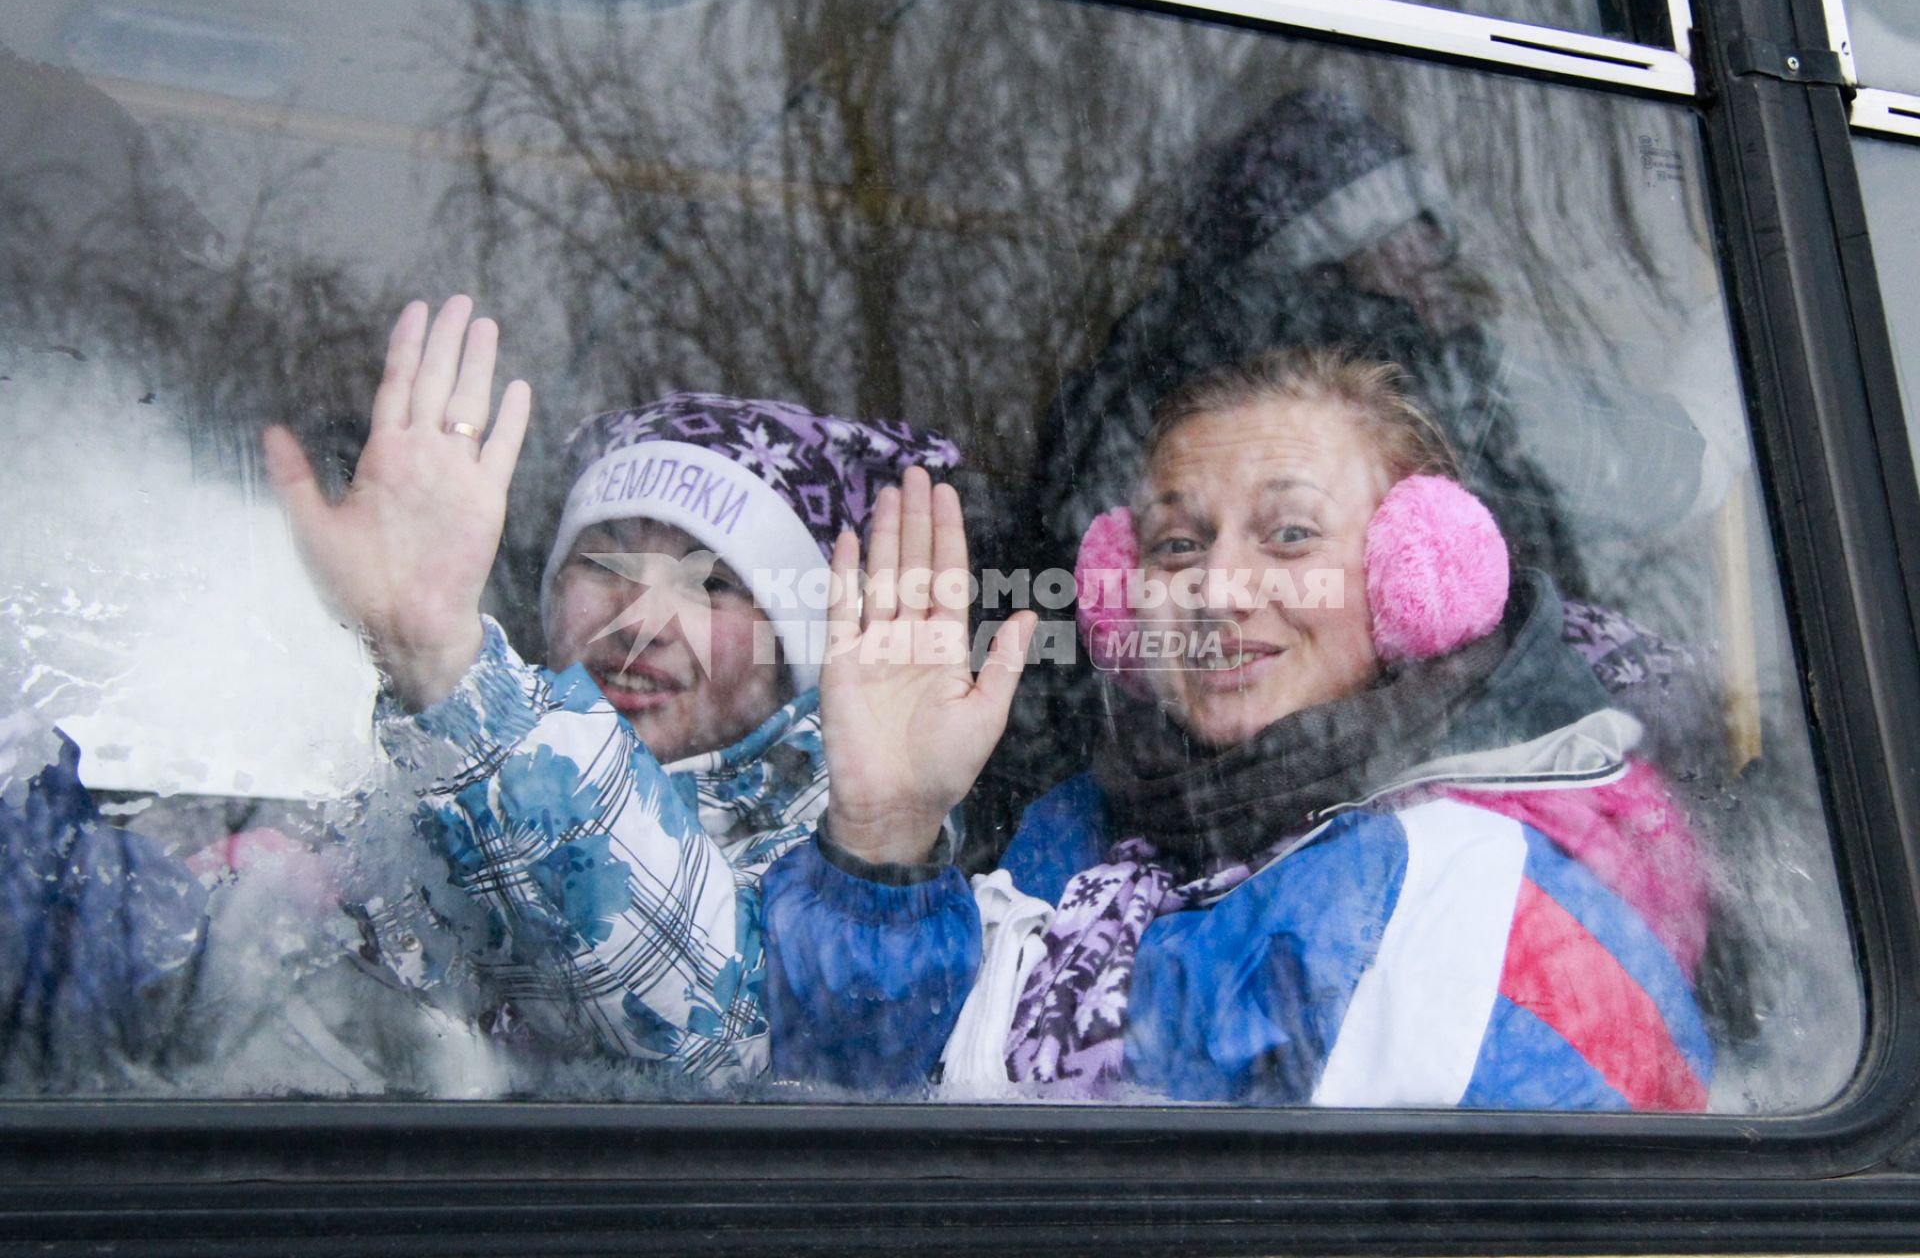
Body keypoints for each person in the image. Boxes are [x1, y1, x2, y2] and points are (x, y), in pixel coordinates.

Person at [763, 347, 1713, 1108]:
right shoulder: (1077, 833)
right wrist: (883, 840)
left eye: (1289, 534)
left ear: (1416, 576)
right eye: (1178, 544)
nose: (1217, 591)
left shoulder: (1492, 895)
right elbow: (848, 1112)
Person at [263, 295, 1031, 1083]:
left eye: (713, 583)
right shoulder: (408, 778)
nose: (641, 621)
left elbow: (719, 1027)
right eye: (605, 563)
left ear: (796, 650)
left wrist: (444, 664)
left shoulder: (835, 849)